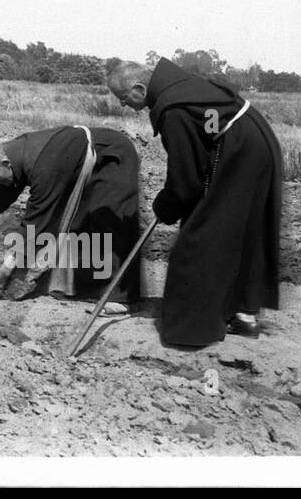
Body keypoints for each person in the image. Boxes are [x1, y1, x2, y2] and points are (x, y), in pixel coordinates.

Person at [106, 57, 282, 346]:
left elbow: (186, 176)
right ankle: (243, 315)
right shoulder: (179, 88)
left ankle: (191, 329)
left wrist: (167, 204)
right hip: (254, 143)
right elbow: (197, 161)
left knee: (201, 236)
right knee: (241, 231)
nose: (124, 105)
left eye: (124, 99)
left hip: (241, 151)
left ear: (139, 88)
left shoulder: (173, 108)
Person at [0, 126, 144, 309]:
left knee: (111, 222)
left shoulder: (44, 168)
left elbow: (37, 222)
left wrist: (5, 270)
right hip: (73, 162)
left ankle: (121, 299)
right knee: (80, 226)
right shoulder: (10, 158)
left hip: (112, 156)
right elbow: (0, 194)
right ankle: (87, 288)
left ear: (6, 163)